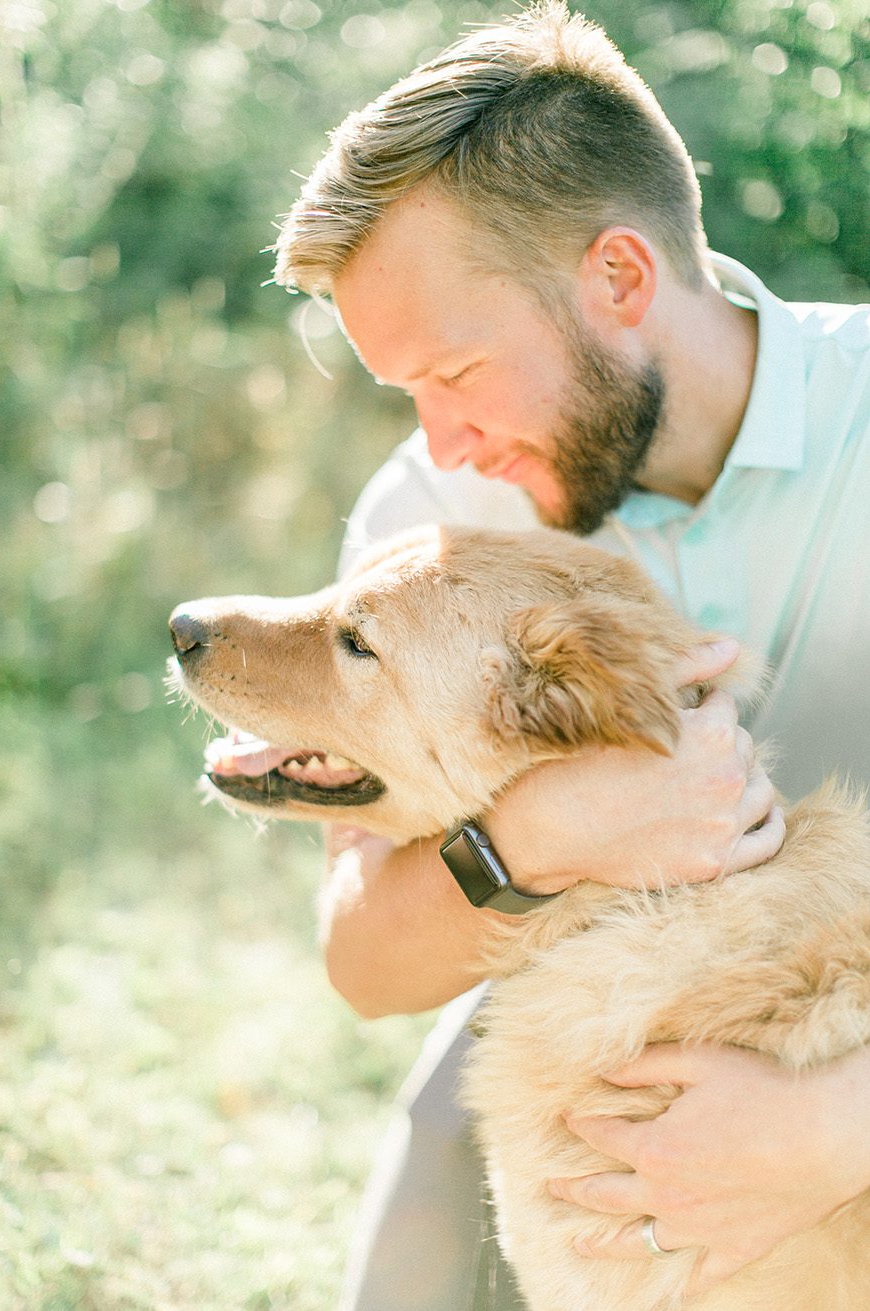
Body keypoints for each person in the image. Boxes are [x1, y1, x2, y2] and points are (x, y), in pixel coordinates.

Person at [272, 3, 870, 1307]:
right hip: (578, 1068)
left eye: (461, 370)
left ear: (619, 277)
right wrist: (536, 840)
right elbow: (361, 962)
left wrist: (830, 1132)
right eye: (404, 395)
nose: (443, 447)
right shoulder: (426, 529)